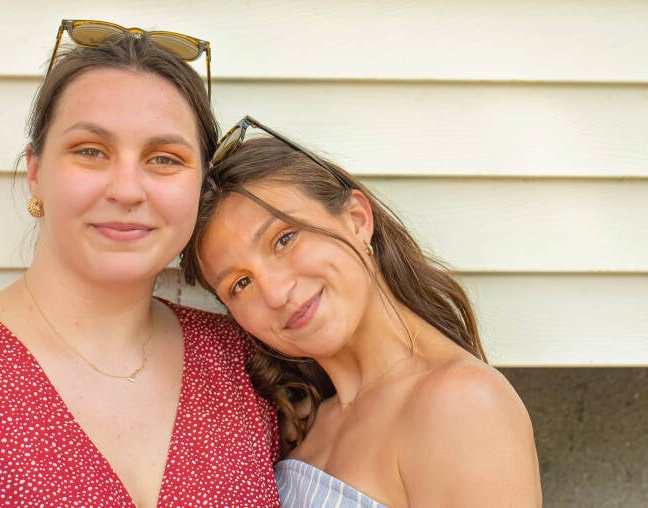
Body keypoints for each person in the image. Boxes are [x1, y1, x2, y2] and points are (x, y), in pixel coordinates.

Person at [0, 23, 280, 507]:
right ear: (36, 172)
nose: (127, 190)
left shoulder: (247, 363)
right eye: (90, 151)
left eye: (165, 158)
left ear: (201, 184)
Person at [182, 116, 543, 507]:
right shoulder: (305, 424)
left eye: (284, 239)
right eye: (240, 284)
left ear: (356, 220)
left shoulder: (461, 404)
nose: (274, 292)